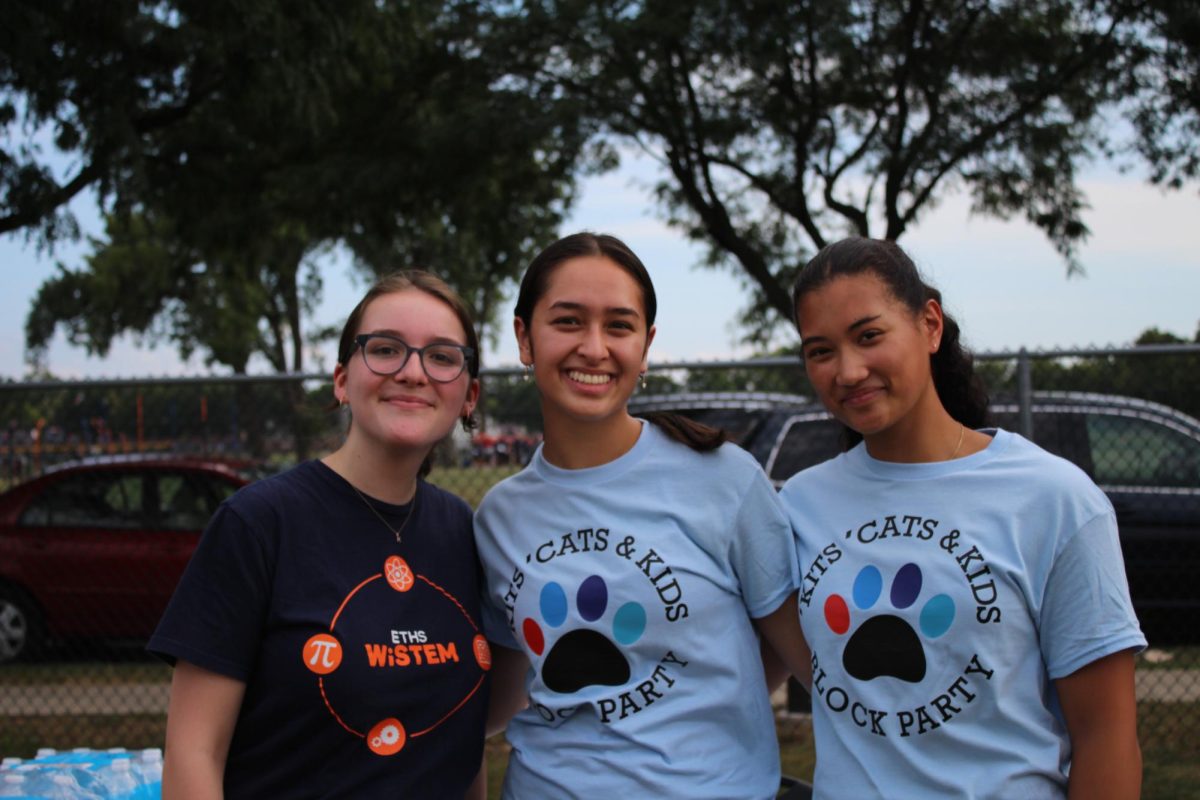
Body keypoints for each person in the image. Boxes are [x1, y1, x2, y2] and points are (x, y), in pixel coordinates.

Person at [779, 237, 1145, 799]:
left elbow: (1107, 737)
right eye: (820, 350)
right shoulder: (799, 506)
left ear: (930, 325)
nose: (848, 371)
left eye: (869, 336)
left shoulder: (1054, 498)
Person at [474, 232, 812, 799]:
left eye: (619, 326)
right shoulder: (500, 517)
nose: (594, 347)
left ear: (646, 343)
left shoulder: (723, 478)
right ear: (524, 338)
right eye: (568, 321)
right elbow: (495, 701)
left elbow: (801, 654)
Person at [149, 271, 491, 798]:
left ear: (469, 396)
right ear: (340, 380)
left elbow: (458, 746)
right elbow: (194, 755)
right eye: (385, 349)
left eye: (442, 356)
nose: (412, 372)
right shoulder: (258, 524)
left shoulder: (463, 532)